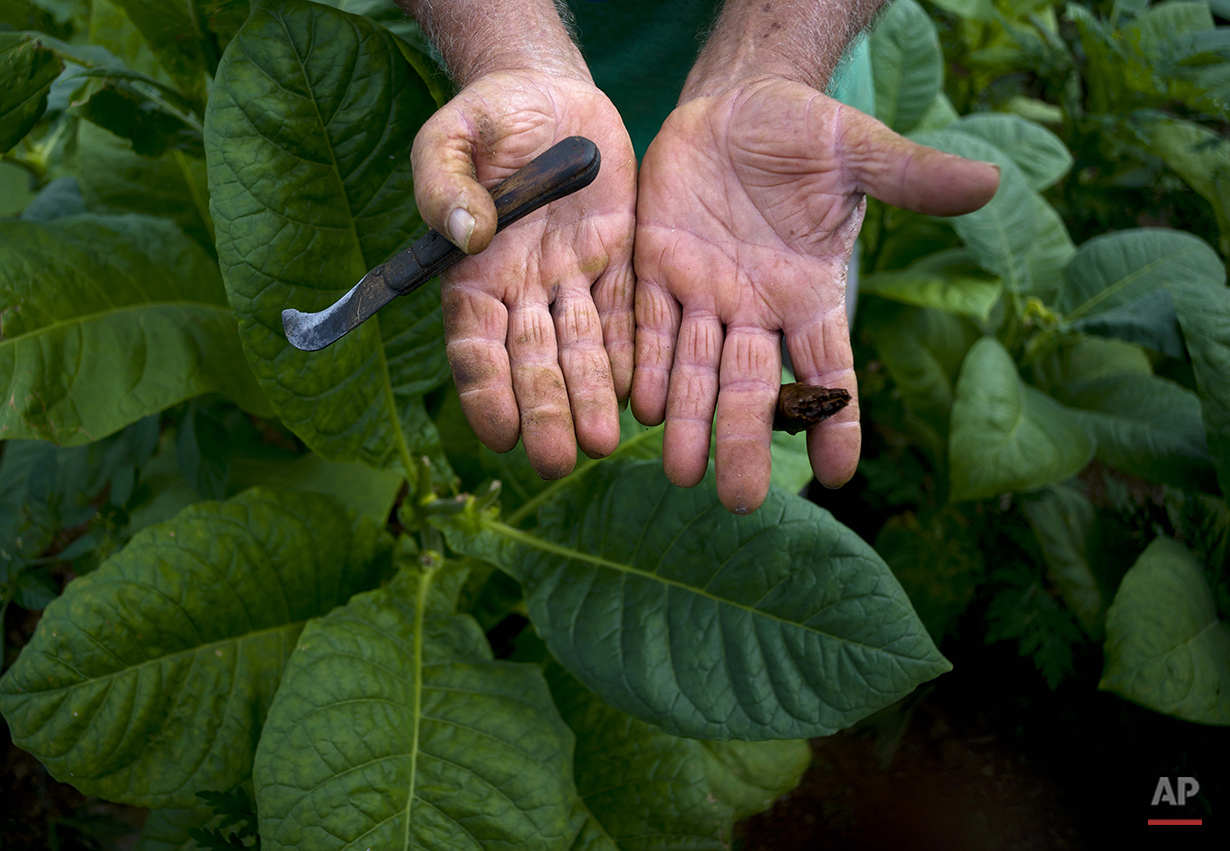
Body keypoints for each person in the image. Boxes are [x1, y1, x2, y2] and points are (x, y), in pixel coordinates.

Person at [399, 0, 1000, 514]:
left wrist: (769, 63)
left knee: (754, 389)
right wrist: (504, 48)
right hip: (501, 132)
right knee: (508, 390)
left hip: (775, 186)